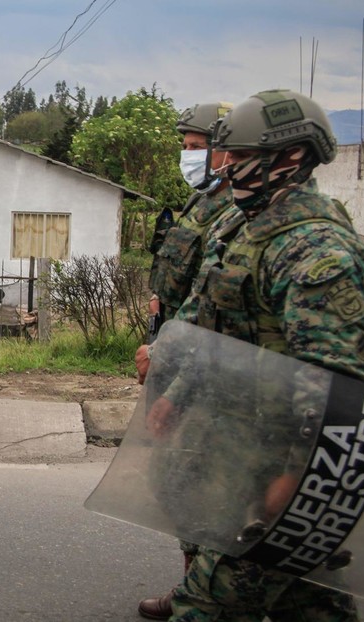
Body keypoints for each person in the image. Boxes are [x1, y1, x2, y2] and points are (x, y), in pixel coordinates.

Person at [145, 89, 364, 621]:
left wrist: (297, 481)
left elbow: (338, 385)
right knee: (310, 602)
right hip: (237, 445)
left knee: (208, 604)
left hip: (281, 465)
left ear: (289, 160)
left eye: (242, 157)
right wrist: (177, 390)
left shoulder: (317, 249)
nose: (227, 170)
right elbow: (212, 323)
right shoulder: (239, 225)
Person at [134, 101, 236, 620]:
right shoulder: (201, 202)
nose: (187, 157)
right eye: (186, 147)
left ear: (225, 152)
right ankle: (196, 583)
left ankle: (204, 592)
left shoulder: (234, 209)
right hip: (177, 344)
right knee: (177, 477)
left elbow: (213, 293)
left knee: (195, 477)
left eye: (197, 149)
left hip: (206, 360)